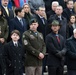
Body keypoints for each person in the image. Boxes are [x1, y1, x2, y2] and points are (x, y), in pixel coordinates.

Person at [0, 6, 8, 75]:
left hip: (3, 42)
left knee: (3, 58)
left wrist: (4, 38)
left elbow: (7, 31)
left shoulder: (4, 20)